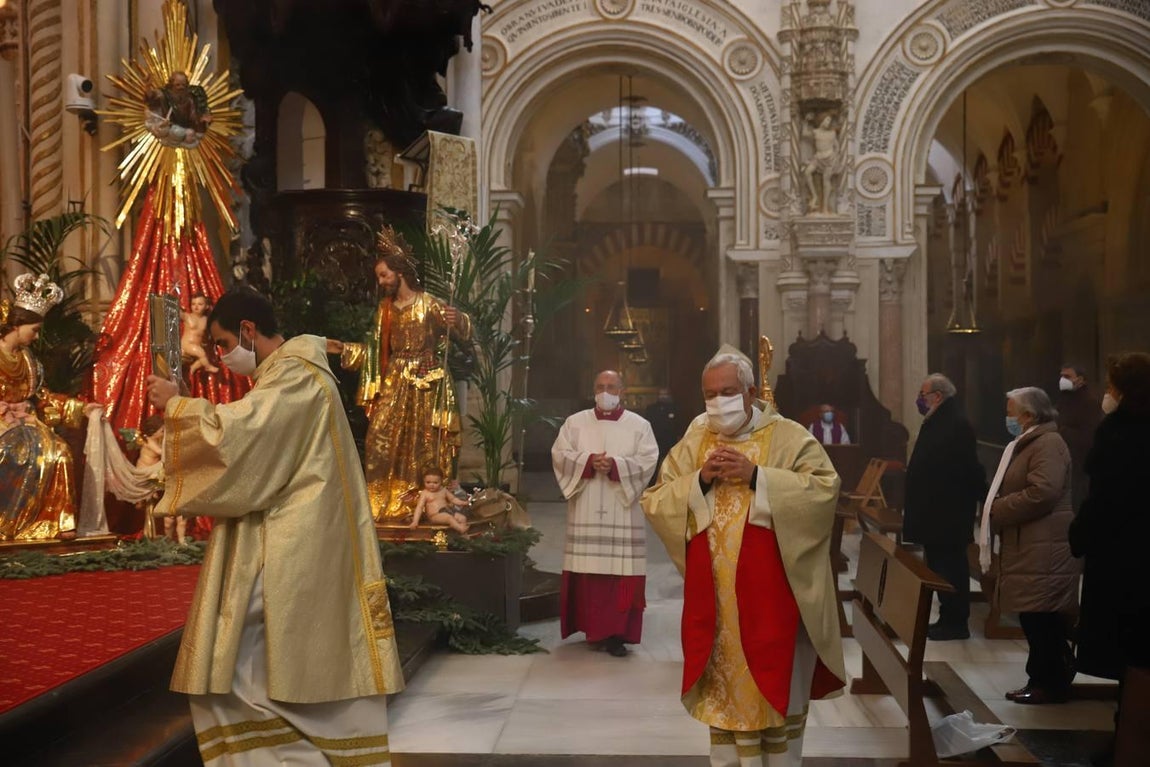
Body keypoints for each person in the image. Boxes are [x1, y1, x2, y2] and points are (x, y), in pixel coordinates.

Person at [145, 289, 403, 765]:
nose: (222, 358)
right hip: (290, 537)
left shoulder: (296, 376)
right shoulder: (291, 373)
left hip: (291, 546)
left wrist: (179, 406)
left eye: (223, 343)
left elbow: (244, 442)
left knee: (233, 668)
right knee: (238, 672)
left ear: (248, 329)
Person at [642, 348, 846, 766]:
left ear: (751, 392)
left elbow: (825, 489)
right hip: (719, 604)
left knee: (773, 700)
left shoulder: (788, 436)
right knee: (727, 701)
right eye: (710, 394)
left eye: (728, 391)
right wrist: (700, 479)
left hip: (773, 601)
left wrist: (757, 476)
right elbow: (657, 498)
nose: (719, 402)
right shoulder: (697, 436)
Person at [328, 225, 471, 522]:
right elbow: (376, 350)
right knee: (378, 439)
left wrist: (459, 321)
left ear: (400, 272)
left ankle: (426, 505)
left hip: (426, 382)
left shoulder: (428, 304)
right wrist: (345, 349)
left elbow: (460, 333)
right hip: (395, 381)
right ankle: (382, 504)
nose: (381, 282)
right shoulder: (386, 309)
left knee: (425, 444)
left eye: (384, 275)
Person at [1069, 352, 1150, 765]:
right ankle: (1126, 728)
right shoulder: (1123, 432)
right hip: (1133, 556)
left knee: (1133, 652)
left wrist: (1080, 534)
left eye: (1112, 386)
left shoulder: (1121, 436)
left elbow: (1106, 498)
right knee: (1136, 652)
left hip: (1125, 561)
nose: (1107, 394)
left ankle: (1131, 737)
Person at [980, 387, 1078, 704]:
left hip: (1044, 545)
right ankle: (1045, 678)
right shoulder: (1029, 442)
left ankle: (1047, 684)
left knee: (1041, 617)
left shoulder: (1048, 443)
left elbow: (1044, 492)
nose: (1007, 417)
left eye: (1011, 411)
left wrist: (1000, 508)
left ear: (1028, 415)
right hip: (1032, 542)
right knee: (1035, 616)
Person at [552, 370, 659, 658]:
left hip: (621, 509)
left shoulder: (639, 426)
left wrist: (615, 466)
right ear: (593, 390)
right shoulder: (575, 423)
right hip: (587, 505)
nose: (605, 391)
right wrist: (588, 461)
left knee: (619, 574)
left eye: (611, 386)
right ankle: (591, 628)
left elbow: (648, 460)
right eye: (600, 386)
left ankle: (617, 634)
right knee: (588, 572)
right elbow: (559, 454)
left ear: (622, 391)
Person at [0, 274, 98, 541]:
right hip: (3, 427)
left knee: (61, 452)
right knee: (13, 453)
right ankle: (8, 525)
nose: (36, 336)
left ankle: (54, 524)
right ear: (18, 325)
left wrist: (80, 408)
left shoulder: (28, 359)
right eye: (33, 330)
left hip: (27, 424)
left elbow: (42, 395)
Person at [902, 374, 986, 641]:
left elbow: (967, 469)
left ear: (937, 396)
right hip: (936, 513)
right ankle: (946, 618)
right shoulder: (940, 420)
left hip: (947, 514)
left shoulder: (955, 424)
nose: (920, 399)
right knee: (939, 566)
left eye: (923, 394)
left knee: (951, 567)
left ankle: (956, 622)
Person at [1055, 363, 1100, 511]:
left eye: (1067, 376)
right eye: (1061, 376)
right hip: (1065, 461)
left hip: (1080, 465)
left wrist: (1062, 430)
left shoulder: (1089, 402)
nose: (1063, 380)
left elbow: (1089, 436)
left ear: (1080, 380)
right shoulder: (1064, 398)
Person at [145, 70, 212, 146]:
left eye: (183, 85)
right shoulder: (164, 95)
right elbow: (151, 97)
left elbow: (195, 117)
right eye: (177, 85)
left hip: (186, 128)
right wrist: (148, 86)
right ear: (171, 84)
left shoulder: (190, 98)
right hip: (170, 127)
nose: (181, 88)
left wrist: (202, 119)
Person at [802, 113, 842, 214]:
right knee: (807, 172)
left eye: (829, 121)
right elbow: (804, 134)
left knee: (826, 181)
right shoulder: (816, 132)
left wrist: (835, 158)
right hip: (818, 158)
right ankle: (814, 196)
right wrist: (806, 122)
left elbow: (837, 147)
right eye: (826, 120)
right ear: (821, 120)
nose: (828, 122)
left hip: (829, 158)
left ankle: (824, 207)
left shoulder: (832, 133)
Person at [410, 465, 470, 533]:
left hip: (448, 511)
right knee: (449, 518)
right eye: (428, 482)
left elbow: (453, 499)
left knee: (462, 518)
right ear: (424, 481)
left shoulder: (443, 490)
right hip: (435, 515)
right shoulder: (425, 493)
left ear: (441, 481)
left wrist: (462, 502)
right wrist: (415, 521)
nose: (431, 485)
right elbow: (419, 507)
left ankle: (463, 535)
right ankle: (461, 529)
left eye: (435, 483)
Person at [644, 387, 683, 481]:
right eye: (661, 394)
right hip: (655, 441)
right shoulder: (651, 409)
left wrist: (679, 438)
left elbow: (679, 425)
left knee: (671, 464)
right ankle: (652, 483)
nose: (663, 397)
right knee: (654, 465)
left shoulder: (675, 408)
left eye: (665, 394)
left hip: (671, 441)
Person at [182, 294, 219, 376]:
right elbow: (178, 313)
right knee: (201, 353)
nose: (196, 307)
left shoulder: (206, 320)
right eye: (193, 304)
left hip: (198, 345)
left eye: (200, 304)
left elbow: (208, 333)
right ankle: (208, 367)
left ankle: (194, 367)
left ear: (207, 306)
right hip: (187, 344)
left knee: (206, 355)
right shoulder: (188, 317)